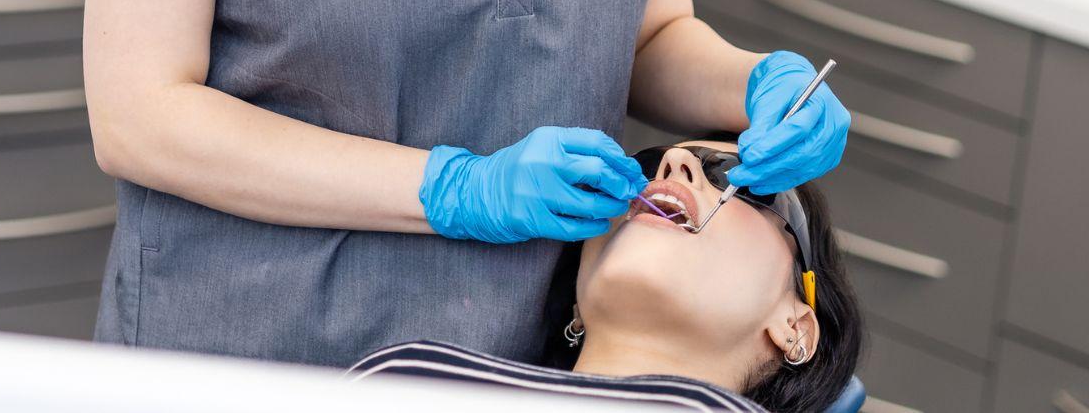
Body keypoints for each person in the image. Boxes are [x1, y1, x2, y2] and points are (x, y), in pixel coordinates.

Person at [82, 0, 853, 366]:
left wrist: (751, 83)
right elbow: (140, 114)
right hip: (248, 345)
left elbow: (646, 33)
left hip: (511, 341)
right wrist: (455, 188)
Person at [348, 141, 864, 413]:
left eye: (733, 177)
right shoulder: (404, 374)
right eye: (645, 166)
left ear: (796, 327)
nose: (674, 164)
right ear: (576, 299)